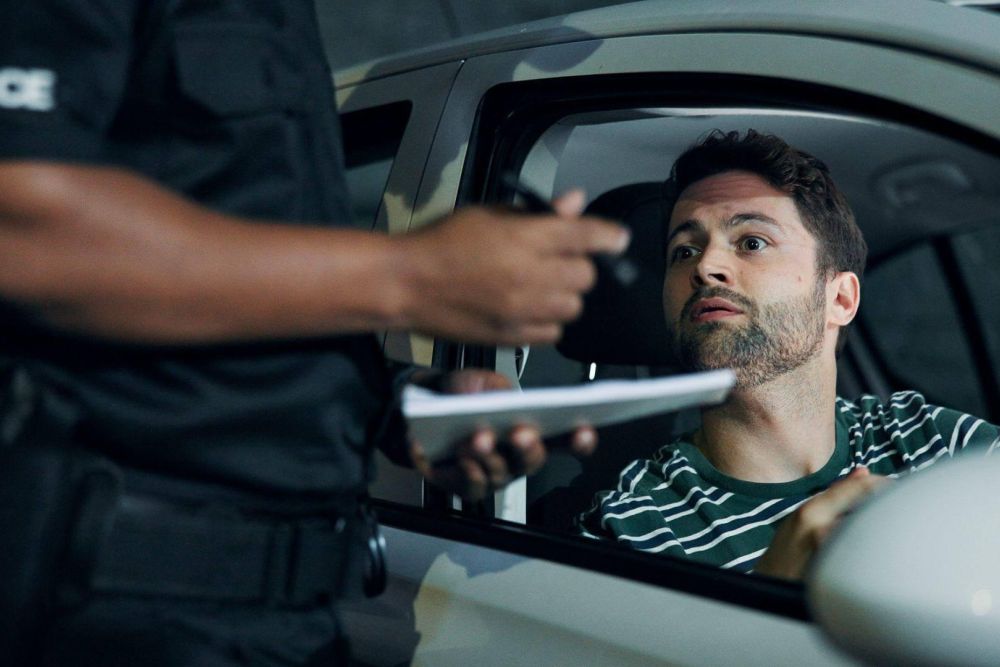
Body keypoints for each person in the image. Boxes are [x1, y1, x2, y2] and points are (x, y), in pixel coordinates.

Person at [0, 2, 630, 665]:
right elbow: (22, 234)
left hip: (276, 610)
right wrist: (414, 274)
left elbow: (241, 301)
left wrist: (406, 409)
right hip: (122, 603)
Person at [577, 130, 1000, 580]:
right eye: (684, 251)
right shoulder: (629, 533)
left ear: (840, 299)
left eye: (752, 242)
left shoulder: (933, 443)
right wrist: (771, 588)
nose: (704, 266)